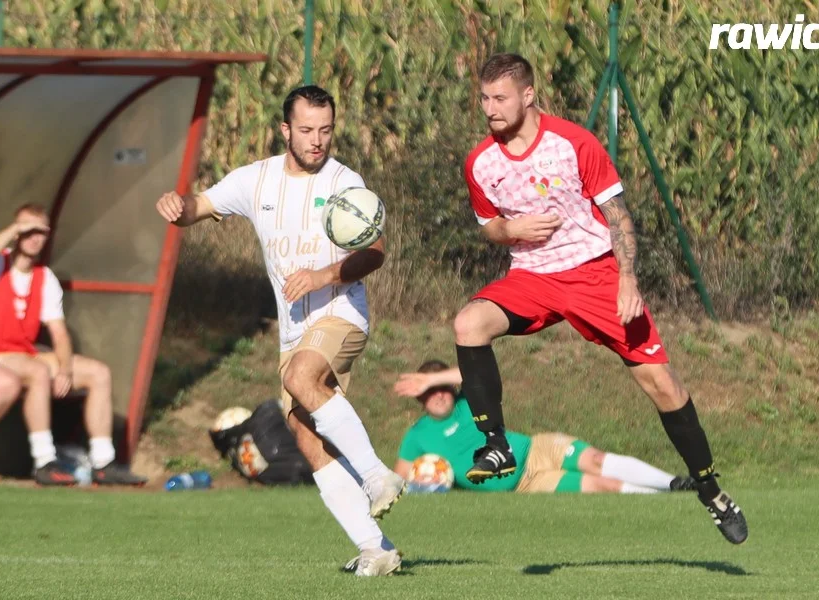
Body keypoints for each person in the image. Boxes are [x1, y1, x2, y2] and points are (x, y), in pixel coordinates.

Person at [454, 53, 747, 543]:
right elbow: (490, 229)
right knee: (468, 324)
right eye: (484, 98)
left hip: (596, 274)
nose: (490, 107)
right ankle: (496, 443)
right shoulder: (481, 162)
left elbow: (618, 215)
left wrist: (626, 278)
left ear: (528, 96)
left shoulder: (573, 143)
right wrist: (511, 229)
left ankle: (710, 489)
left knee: (663, 386)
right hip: (533, 277)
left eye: (500, 97)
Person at [155, 85, 403, 576]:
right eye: (307, 130)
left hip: (340, 314)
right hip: (294, 329)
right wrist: (174, 205)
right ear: (285, 129)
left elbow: (374, 251)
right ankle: (376, 548)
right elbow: (197, 207)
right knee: (307, 439)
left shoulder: (343, 180)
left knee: (299, 380)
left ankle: (377, 475)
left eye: (326, 130)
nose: (317, 141)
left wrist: (324, 276)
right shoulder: (258, 180)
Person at [0, 205, 146, 486]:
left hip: (27, 355)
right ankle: (44, 461)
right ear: (17, 233)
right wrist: (12, 229)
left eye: (40, 232)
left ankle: (103, 462)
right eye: (27, 231)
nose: (34, 238)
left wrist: (66, 369)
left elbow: (59, 334)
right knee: (38, 372)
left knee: (98, 373)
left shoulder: (45, 279)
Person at [394, 360, 697, 495]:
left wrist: (432, 379)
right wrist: (426, 486)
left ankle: (676, 484)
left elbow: (478, 370)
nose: (437, 396)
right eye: (428, 392)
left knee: (596, 461)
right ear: (419, 398)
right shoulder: (417, 437)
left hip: (538, 450)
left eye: (440, 388)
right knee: (602, 487)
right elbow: (398, 480)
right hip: (527, 486)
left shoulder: (469, 400)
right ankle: (665, 497)